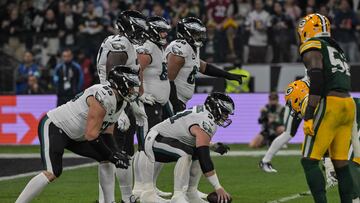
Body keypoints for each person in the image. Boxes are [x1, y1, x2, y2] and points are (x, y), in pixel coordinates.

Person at [15, 65, 139, 203]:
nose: (133, 90)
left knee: (106, 159)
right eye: (131, 86)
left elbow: (107, 131)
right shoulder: (103, 96)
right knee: (53, 172)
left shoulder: (120, 102)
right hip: (56, 126)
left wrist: (115, 152)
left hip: (78, 134)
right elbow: (92, 136)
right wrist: (113, 155)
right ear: (120, 84)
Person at [298, 13, 355, 203]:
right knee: (341, 163)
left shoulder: (313, 44)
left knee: (309, 160)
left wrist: (308, 115)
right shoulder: (336, 48)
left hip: (331, 103)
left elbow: (316, 78)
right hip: (348, 103)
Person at [140, 92, 233, 203]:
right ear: (215, 108)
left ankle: (191, 193)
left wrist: (212, 145)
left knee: (195, 152)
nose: (226, 116)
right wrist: (218, 187)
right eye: (225, 112)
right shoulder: (205, 120)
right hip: (155, 140)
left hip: (166, 138)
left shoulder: (204, 114)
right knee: (185, 153)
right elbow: (205, 159)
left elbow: (193, 138)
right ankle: (178, 196)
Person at [95, 10, 148, 203]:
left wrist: (134, 102)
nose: (142, 33)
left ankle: (126, 197)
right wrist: (119, 111)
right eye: (139, 29)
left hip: (120, 100)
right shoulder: (121, 44)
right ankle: (106, 199)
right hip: (111, 100)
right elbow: (113, 76)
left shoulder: (127, 43)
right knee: (112, 153)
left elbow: (126, 79)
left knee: (125, 151)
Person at [259, 79, 338, 186]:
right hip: (303, 95)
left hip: (311, 96)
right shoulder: (311, 76)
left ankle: (329, 165)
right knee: (290, 133)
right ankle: (265, 161)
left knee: (323, 131)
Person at [166, 17, 245, 114]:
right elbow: (168, 81)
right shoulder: (179, 49)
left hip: (178, 101)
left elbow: (204, 67)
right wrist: (175, 105)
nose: (200, 36)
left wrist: (228, 75)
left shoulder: (191, 47)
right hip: (170, 101)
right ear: (186, 33)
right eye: (196, 33)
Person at [132, 16, 173, 201]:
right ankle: (141, 189)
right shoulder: (147, 48)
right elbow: (136, 70)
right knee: (145, 146)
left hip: (157, 104)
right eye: (162, 30)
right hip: (148, 104)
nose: (165, 34)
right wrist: (140, 93)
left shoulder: (157, 47)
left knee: (149, 146)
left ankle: (146, 187)